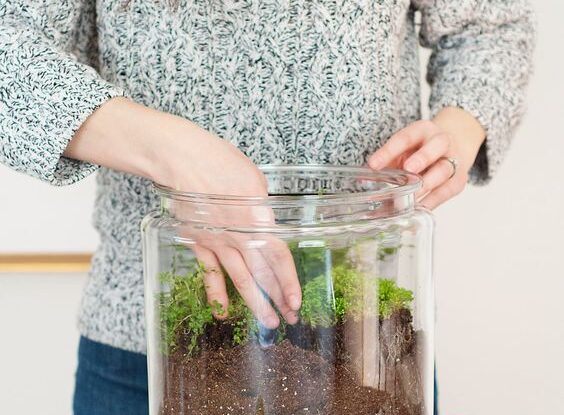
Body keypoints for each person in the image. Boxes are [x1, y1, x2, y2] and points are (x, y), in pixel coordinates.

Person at [0, 1, 535, 414]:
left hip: (368, 342)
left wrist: (456, 131)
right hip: (148, 347)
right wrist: (172, 152)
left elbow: (489, 26)